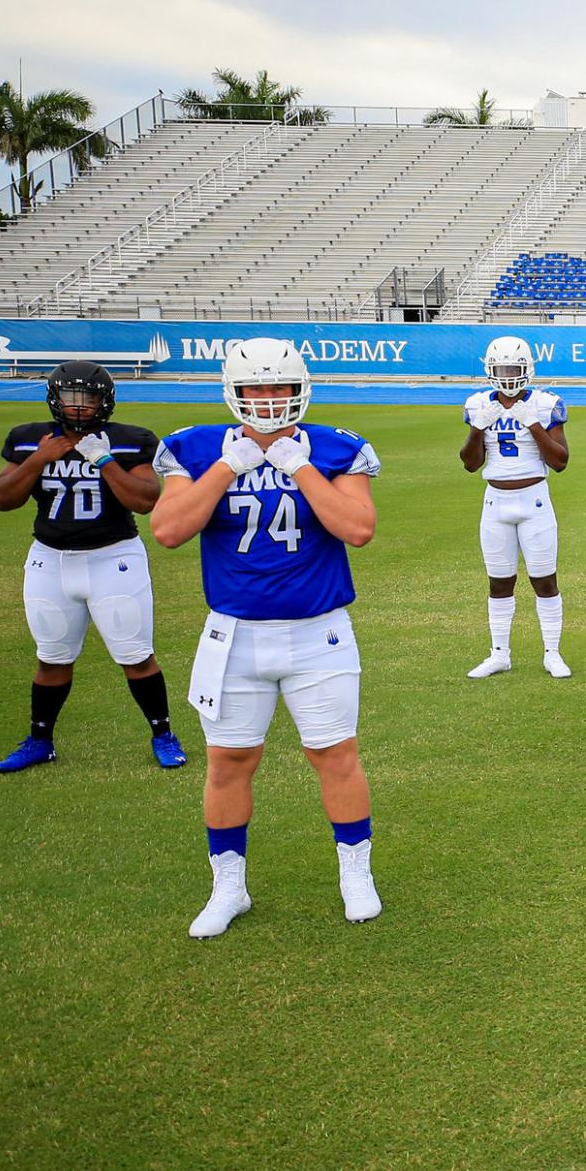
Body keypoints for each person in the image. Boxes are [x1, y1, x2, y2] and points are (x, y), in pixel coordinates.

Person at [150, 338, 382, 938]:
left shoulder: (335, 448)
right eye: (258, 388)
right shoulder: (196, 448)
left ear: (299, 389)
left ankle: (355, 874)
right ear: (236, 391)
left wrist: (299, 467)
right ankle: (229, 887)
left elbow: (357, 529)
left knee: (335, 754)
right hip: (234, 636)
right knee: (227, 761)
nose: (270, 399)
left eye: (280, 387)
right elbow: (169, 530)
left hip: (319, 633)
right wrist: (230, 466)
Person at [0, 360, 185, 771]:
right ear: (55, 399)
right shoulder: (29, 439)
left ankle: (163, 734)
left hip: (113, 558)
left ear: (104, 401)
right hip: (50, 559)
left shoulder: (130, 440)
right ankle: (40, 740)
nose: (78, 407)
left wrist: (104, 461)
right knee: (52, 657)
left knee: (135, 654)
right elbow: (2, 498)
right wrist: (39, 459)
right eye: (70, 397)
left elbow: (146, 500)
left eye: (87, 398)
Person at [460, 333, 572, 680]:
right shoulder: (477, 403)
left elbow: (560, 461)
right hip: (495, 501)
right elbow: (469, 463)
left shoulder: (545, 403)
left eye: (514, 367)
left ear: (528, 369)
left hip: (534, 499)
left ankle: (552, 653)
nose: (508, 375)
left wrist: (533, 424)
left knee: (544, 580)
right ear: (490, 369)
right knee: (499, 582)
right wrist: (478, 427)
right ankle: (499, 654)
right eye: (501, 368)